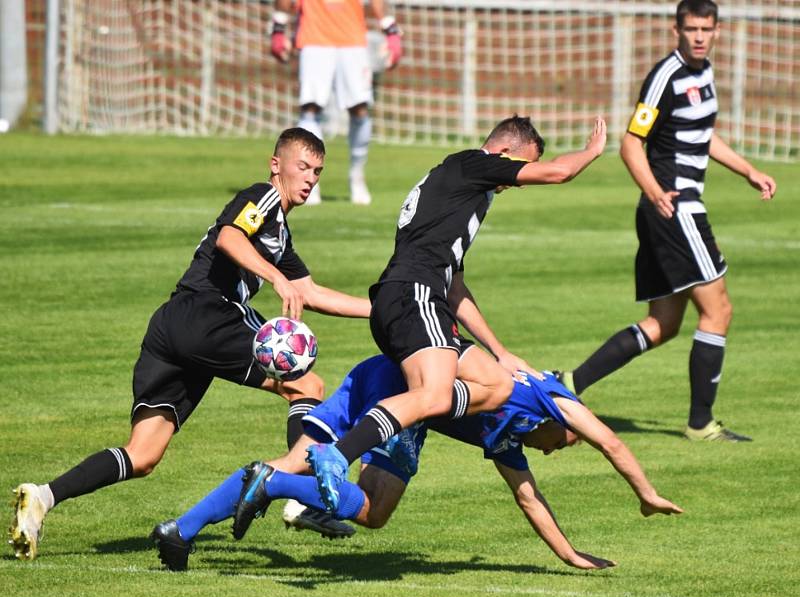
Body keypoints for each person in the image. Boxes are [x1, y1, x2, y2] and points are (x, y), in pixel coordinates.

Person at [9, 128, 371, 561]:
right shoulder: (264, 198)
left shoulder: (280, 236)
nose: (310, 178)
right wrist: (275, 279)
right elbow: (229, 237)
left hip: (172, 326)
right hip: (207, 313)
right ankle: (303, 500)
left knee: (143, 454)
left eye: (317, 171)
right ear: (276, 165)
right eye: (302, 166)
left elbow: (309, 292)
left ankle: (42, 497)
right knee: (306, 386)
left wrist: (380, 310)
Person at [306, 114, 608, 513]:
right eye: (521, 165)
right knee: (431, 396)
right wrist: (593, 151)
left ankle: (276, 483)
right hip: (415, 298)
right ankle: (338, 454)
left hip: (404, 298)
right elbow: (558, 173)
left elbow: (457, 288)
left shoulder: (455, 195)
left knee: (495, 383)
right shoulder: (472, 164)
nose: (515, 180)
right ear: (503, 153)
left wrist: (500, 349)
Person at [151, 353, 682, 572]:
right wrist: (646, 494)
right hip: (403, 400)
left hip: (380, 371)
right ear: (562, 424)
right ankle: (275, 487)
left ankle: (181, 529)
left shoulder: (508, 435)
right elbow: (610, 441)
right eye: (562, 444)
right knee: (374, 510)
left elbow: (529, 496)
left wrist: (570, 555)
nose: (555, 450)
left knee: (296, 460)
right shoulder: (549, 396)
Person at [555, 0, 776, 442]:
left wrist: (748, 170)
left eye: (706, 29)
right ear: (676, 29)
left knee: (662, 324)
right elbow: (631, 143)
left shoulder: (704, 74)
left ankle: (569, 385)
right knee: (719, 311)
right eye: (691, 28)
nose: (698, 36)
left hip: (672, 210)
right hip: (677, 209)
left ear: (716, 31)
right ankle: (701, 423)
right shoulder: (665, 78)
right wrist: (657, 193)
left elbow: (704, 134)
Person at [265, 0, 404, 205]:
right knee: (310, 108)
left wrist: (390, 29)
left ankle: (357, 175)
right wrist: (278, 27)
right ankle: (309, 179)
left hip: (352, 41)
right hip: (314, 39)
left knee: (360, 109)